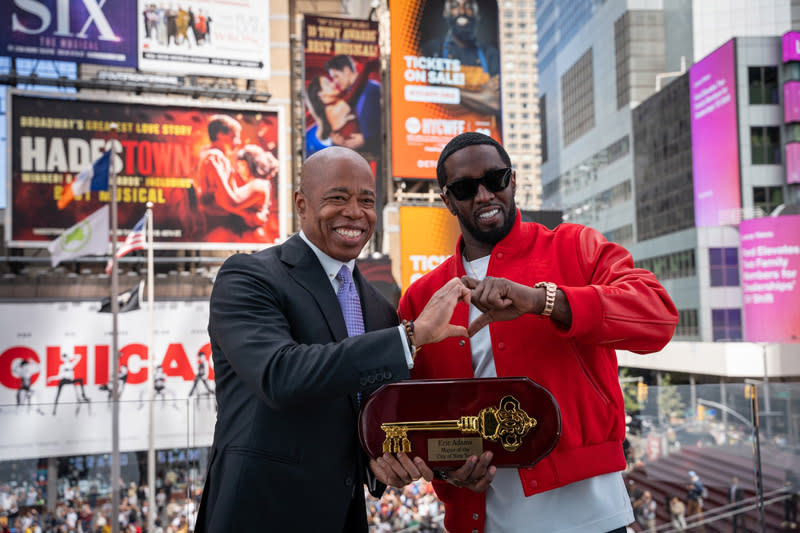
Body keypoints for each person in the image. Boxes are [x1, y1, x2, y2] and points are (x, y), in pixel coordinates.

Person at [396, 132, 678, 532]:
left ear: (512, 181)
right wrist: (445, 472)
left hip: (592, 514)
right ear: (447, 200)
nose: (483, 196)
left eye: (494, 179)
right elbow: (416, 417)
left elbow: (658, 316)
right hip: (479, 518)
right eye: (464, 188)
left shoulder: (575, 246)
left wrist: (544, 302)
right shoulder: (423, 296)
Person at [194, 146, 471, 531]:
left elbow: (369, 419)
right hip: (257, 514)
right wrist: (410, 337)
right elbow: (280, 374)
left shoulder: (378, 307)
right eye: (338, 198)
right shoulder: (248, 277)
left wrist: (388, 463)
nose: (355, 213)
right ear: (302, 204)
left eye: (367, 201)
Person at [193, 114, 272, 242]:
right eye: (234, 137)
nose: (238, 142)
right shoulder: (215, 157)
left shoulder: (216, 157)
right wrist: (250, 215)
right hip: (218, 228)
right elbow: (228, 201)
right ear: (220, 135)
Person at [420, 0, 500, 116]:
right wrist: (481, 98)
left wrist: (444, 92)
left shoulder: (491, 55)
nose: (462, 11)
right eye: (454, 6)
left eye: (468, 6)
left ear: (478, 13)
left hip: (482, 133)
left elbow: (495, 103)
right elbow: (423, 96)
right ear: (445, 12)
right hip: (440, 131)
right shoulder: (430, 50)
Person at [324, 55, 381, 155]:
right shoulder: (345, 97)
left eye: (336, 76)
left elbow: (389, 123)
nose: (335, 81)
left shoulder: (373, 89)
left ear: (346, 70)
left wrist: (366, 139)